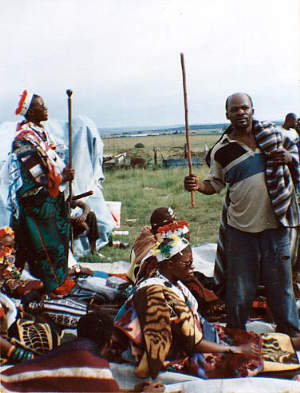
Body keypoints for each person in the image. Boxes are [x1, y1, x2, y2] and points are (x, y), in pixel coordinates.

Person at [184, 92, 300, 336]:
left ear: (252, 110)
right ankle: (237, 333)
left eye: (244, 108)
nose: (240, 112)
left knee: (281, 287)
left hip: (276, 225)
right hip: (240, 229)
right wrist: (197, 186)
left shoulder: (276, 136)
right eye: (235, 109)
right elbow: (213, 184)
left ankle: (291, 334)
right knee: (239, 288)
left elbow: (297, 157)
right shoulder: (222, 151)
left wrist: (289, 158)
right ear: (228, 115)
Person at [115, 233, 300, 380]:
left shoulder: (168, 279)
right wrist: (234, 350)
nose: (192, 268)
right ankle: (286, 369)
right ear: (169, 264)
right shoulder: (160, 295)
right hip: (185, 351)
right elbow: (193, 344)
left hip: (201, 334)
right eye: (186, 264)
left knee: (248, 338)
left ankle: (289, 345)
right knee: (245, 361)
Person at [8, 90, 75, 294]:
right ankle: (53, 284)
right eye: (41, 105)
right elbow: (37, 173)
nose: (46, 108)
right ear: (30, 112)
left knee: (59, 237)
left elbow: (51, 165)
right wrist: (63, 178)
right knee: (46, 243)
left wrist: (63, 174)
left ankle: (61, 278)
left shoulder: (41, 134)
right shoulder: (23, 140)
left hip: (49, 196)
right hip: (35, 199)